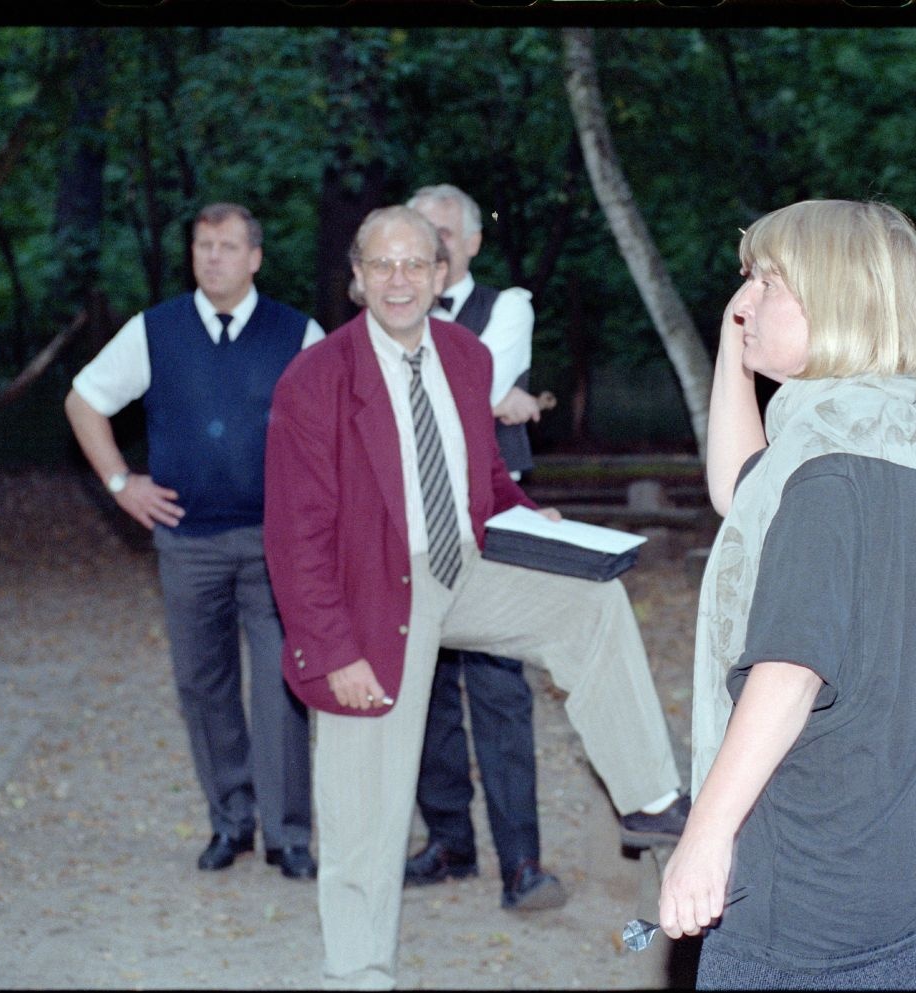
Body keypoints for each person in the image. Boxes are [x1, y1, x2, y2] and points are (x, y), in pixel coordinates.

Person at [261, 204, 689, 988]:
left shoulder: (464, 355)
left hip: (463, 563)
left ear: (439, 273)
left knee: (589, 601)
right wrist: (332, 651)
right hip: (366, 594)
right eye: (381, 265)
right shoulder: (315, 380)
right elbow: (293, 539)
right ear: (356, 280)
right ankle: (358, 972)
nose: (399, 280)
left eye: (414, 264)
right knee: (365, 810)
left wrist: (537, 525)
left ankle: (650, 795)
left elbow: (482, 479)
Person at [660, 200, 916, 989]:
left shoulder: (827, 470)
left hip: (831, 849)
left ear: (836, 300)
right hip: (915, 810)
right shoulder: (883, 422)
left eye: (769, 282)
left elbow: (791, 668)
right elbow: (743, 489)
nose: (746, 302)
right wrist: (735, 360)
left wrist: (706, 831)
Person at [64, 202, 324, 880]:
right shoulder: (155, 331)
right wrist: (121, 483)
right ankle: (230, 820)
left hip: (275, 544)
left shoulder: (298, 333)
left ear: (255, 257)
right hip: (188, 542)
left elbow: (336, 428)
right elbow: (83, 400)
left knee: (280, 684)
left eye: (228, 246)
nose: (213, 257)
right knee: (203, 684)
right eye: (203, 245)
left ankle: (288, 833)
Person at [397, 184, 562, 912]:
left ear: (470, 243)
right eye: (415, 230)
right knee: (425, 684)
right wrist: (493, 401)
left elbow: (467, 388)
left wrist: (494, 398)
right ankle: (448, 842)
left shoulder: (510, 306)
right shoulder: (391, 311)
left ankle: (522, 862)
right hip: (415, 517)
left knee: (498, 686)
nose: (427, 244)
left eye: (440, 231)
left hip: (496, 515)